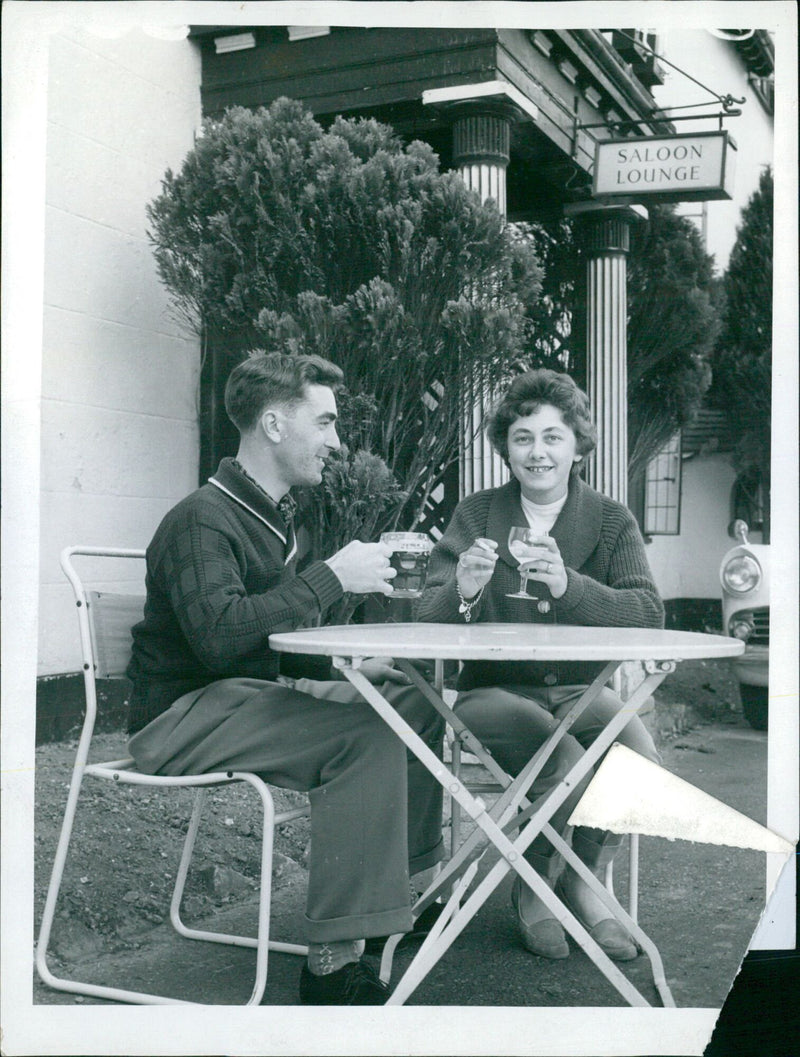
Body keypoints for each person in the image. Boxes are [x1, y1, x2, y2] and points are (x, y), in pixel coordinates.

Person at [126, 351, 444, 1004]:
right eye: (324, 422)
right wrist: (332, 575)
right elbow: (219, 638)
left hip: (236, 697)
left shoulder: (265, 519)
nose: (337, 440)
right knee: (366, 736)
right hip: (181, 716)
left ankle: (401, 893)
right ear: (274, 424)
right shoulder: (202, 518)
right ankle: (333, 964)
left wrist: (346, 664)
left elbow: (261, 639)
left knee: (410, 702)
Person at [416, 368, 663, 963]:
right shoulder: (477, 514)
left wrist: (571, 587)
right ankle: (533, 890)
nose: (538, 451)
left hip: (582, 689)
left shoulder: (611, 520)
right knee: (562, 763)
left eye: (553, 436)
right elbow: (425, 615)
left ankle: (581, 878)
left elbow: (648, 611)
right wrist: (464, 589)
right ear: (507, 448)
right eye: (523, 437)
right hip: (493, 691)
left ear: (578, 444)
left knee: (639, 762)